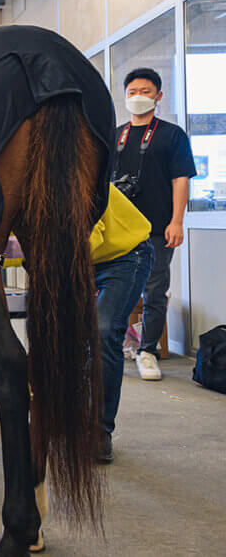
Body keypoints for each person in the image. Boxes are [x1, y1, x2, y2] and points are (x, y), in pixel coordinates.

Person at [112, 68, 196, 380]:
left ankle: (147, 351)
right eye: (132, 91)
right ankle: (114, 346)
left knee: (155, 290)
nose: (137, 97)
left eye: (145, 91)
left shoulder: (172, 135)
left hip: (158, 228)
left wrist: (177, 221)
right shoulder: (115, 135)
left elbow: (180, 180)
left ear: (158, 96)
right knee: (113, 289)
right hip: (117, 230)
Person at [92, 184, 154, 463]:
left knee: (104, 330)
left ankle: (100, 430)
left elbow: (86, 239)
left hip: (127, 256)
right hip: (90, 258)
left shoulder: (72, 176)